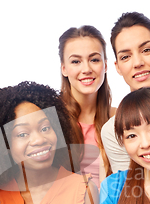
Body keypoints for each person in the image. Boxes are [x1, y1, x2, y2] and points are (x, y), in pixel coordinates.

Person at [101, 12, 150, 173]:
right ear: (117, 67)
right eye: (126, 57)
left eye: (145, 50)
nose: (138, 63)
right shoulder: (114, 130)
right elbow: (129, 188)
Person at [59, 24, 112, 188]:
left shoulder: (118, 119)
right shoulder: (51, 121)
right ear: (64, 68)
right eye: (76, 61)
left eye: (94, 60)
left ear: (105, 65)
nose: (86, 69)